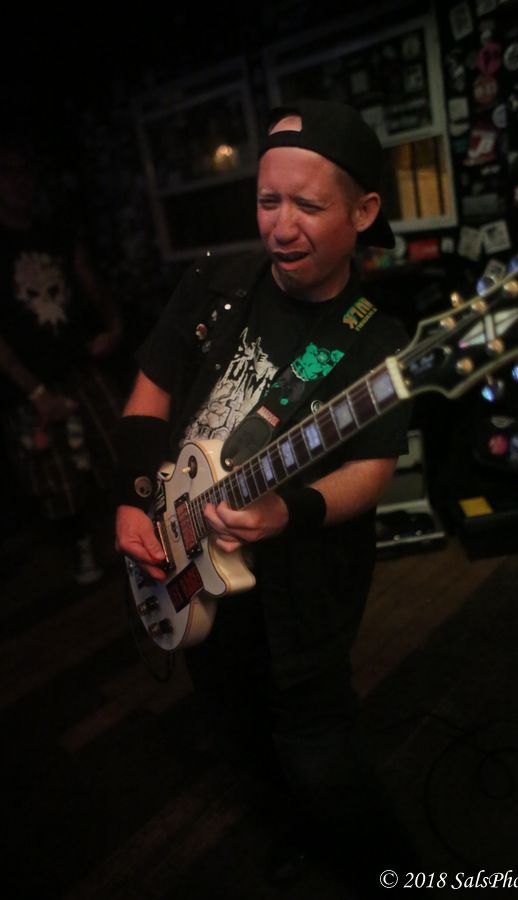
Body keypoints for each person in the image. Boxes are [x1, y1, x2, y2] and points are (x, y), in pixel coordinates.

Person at [115, 99, 418, 894]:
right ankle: (290, 834)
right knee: (233, 723)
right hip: (189, 552)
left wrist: (289, 511)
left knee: (319, 743)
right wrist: (134, 499)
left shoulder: (372, 340)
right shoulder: (218, 282)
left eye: (308, 207)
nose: (281, 227)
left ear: (363, 212)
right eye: (268, 201)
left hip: (302, 591)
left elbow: (373, 469)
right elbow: (149, 389)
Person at [0, 134, 123, 584]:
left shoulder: (55, 231)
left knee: (120, 448)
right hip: (27, 385)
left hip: (79, 364)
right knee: (56, 481)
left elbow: (92, 282)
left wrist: (114, 327)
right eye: (7, 172)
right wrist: (34, 391)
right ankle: (82, 548)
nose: (19, 181)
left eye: (24, 171)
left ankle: (136, 534)